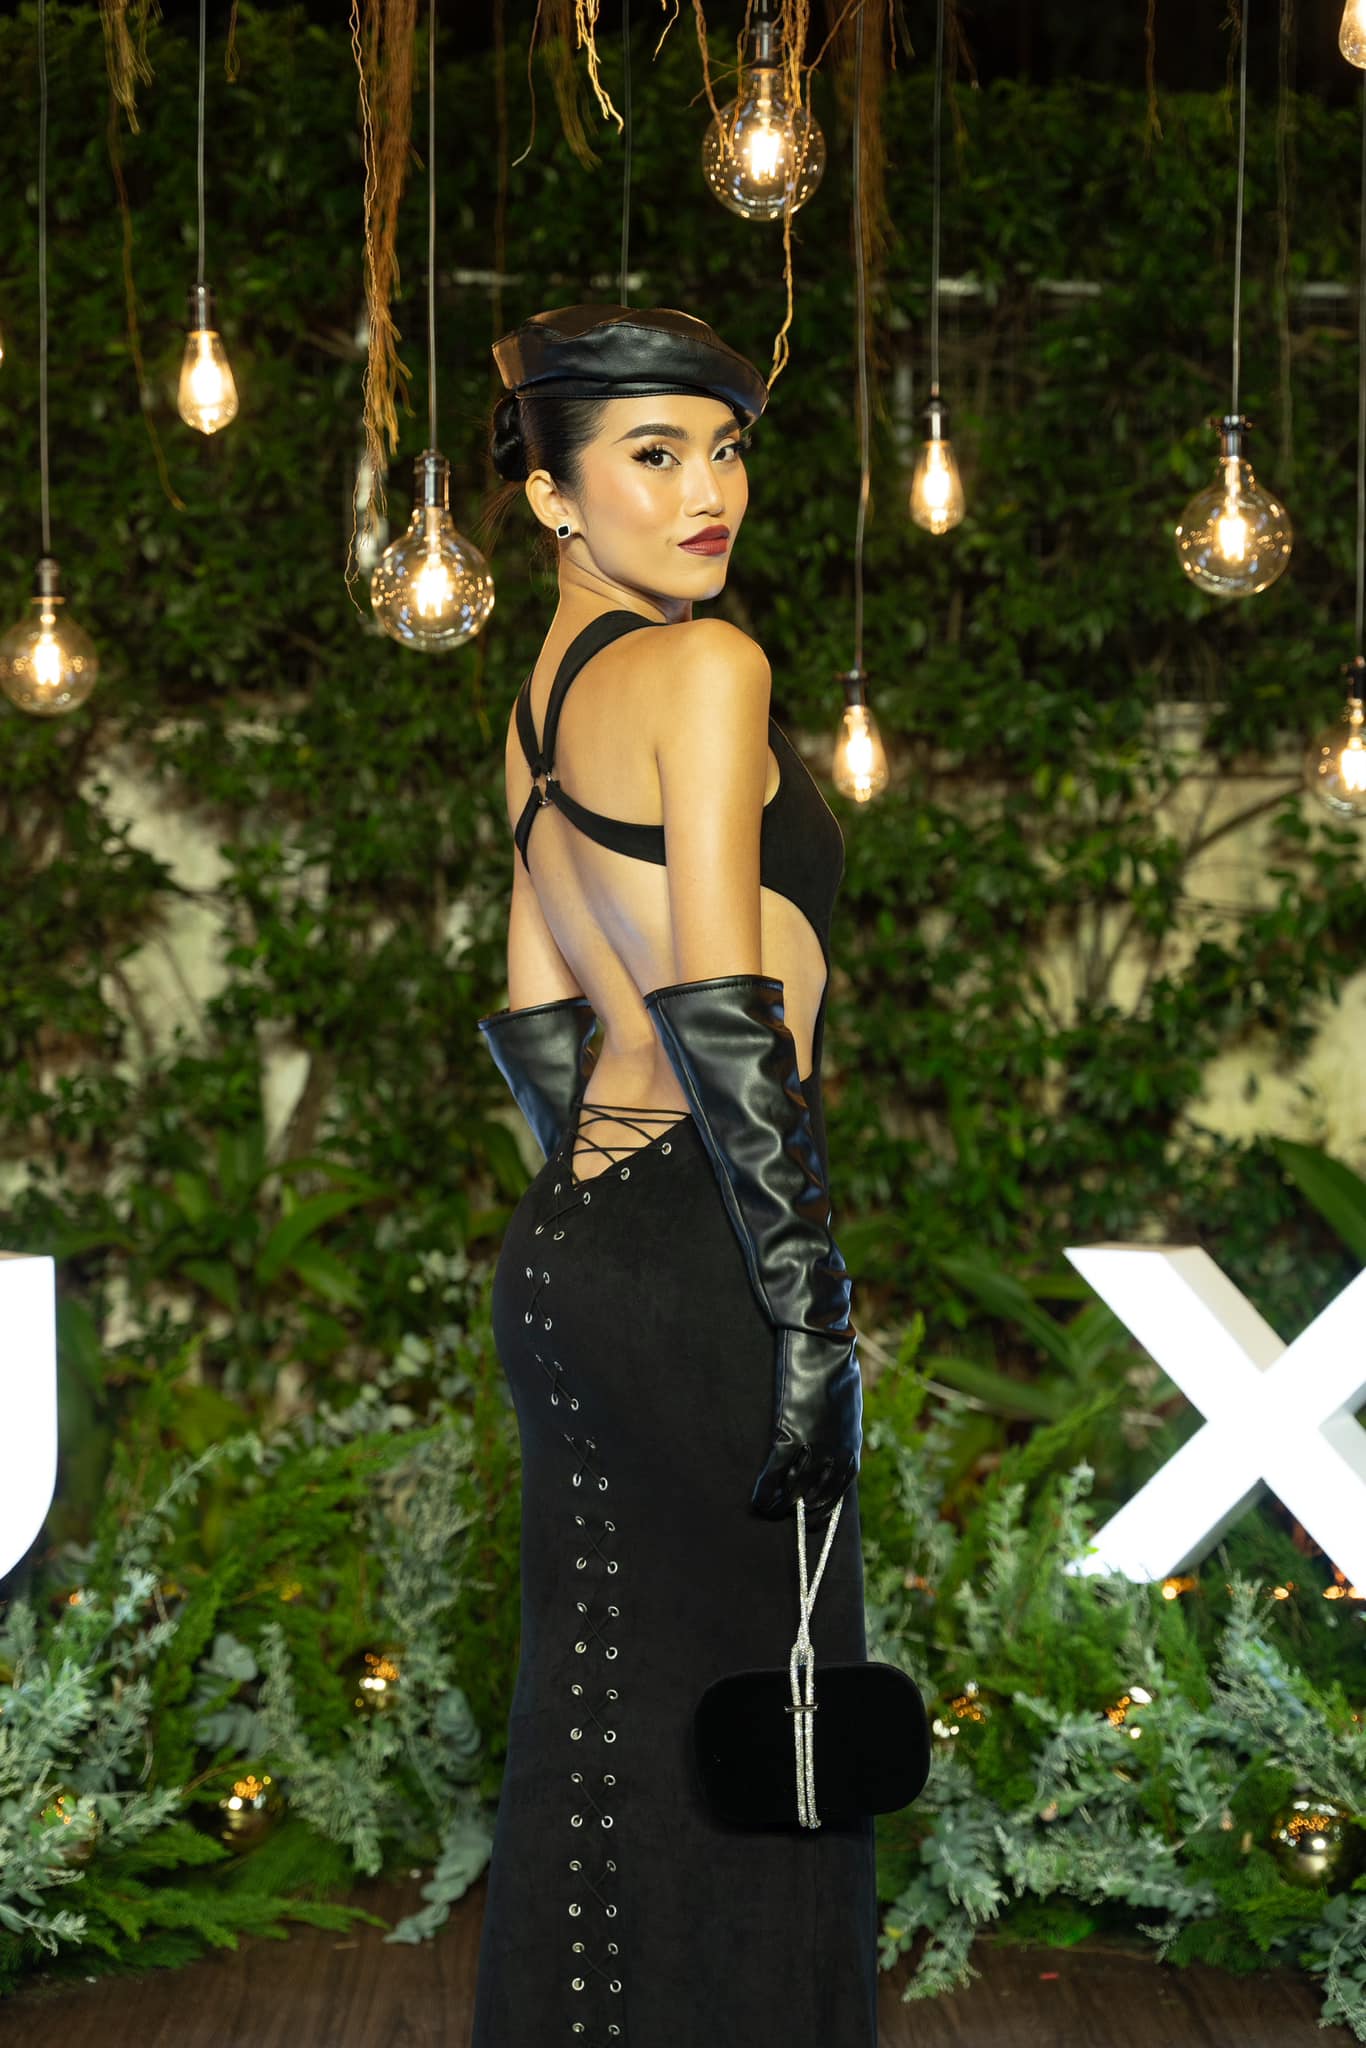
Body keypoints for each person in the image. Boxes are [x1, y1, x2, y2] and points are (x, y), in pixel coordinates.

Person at [470, 304, 875, 2045]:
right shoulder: (706, 670)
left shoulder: (535, 706)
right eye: (654, 455)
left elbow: (536, 1013)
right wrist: (802, 1305)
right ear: (552, 495)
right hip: (714, 1236)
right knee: (763, 1742)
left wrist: (593, 1225)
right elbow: (723, 1000)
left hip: (578, 1242)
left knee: (604, 1716)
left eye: (722, 450)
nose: (708, 491)